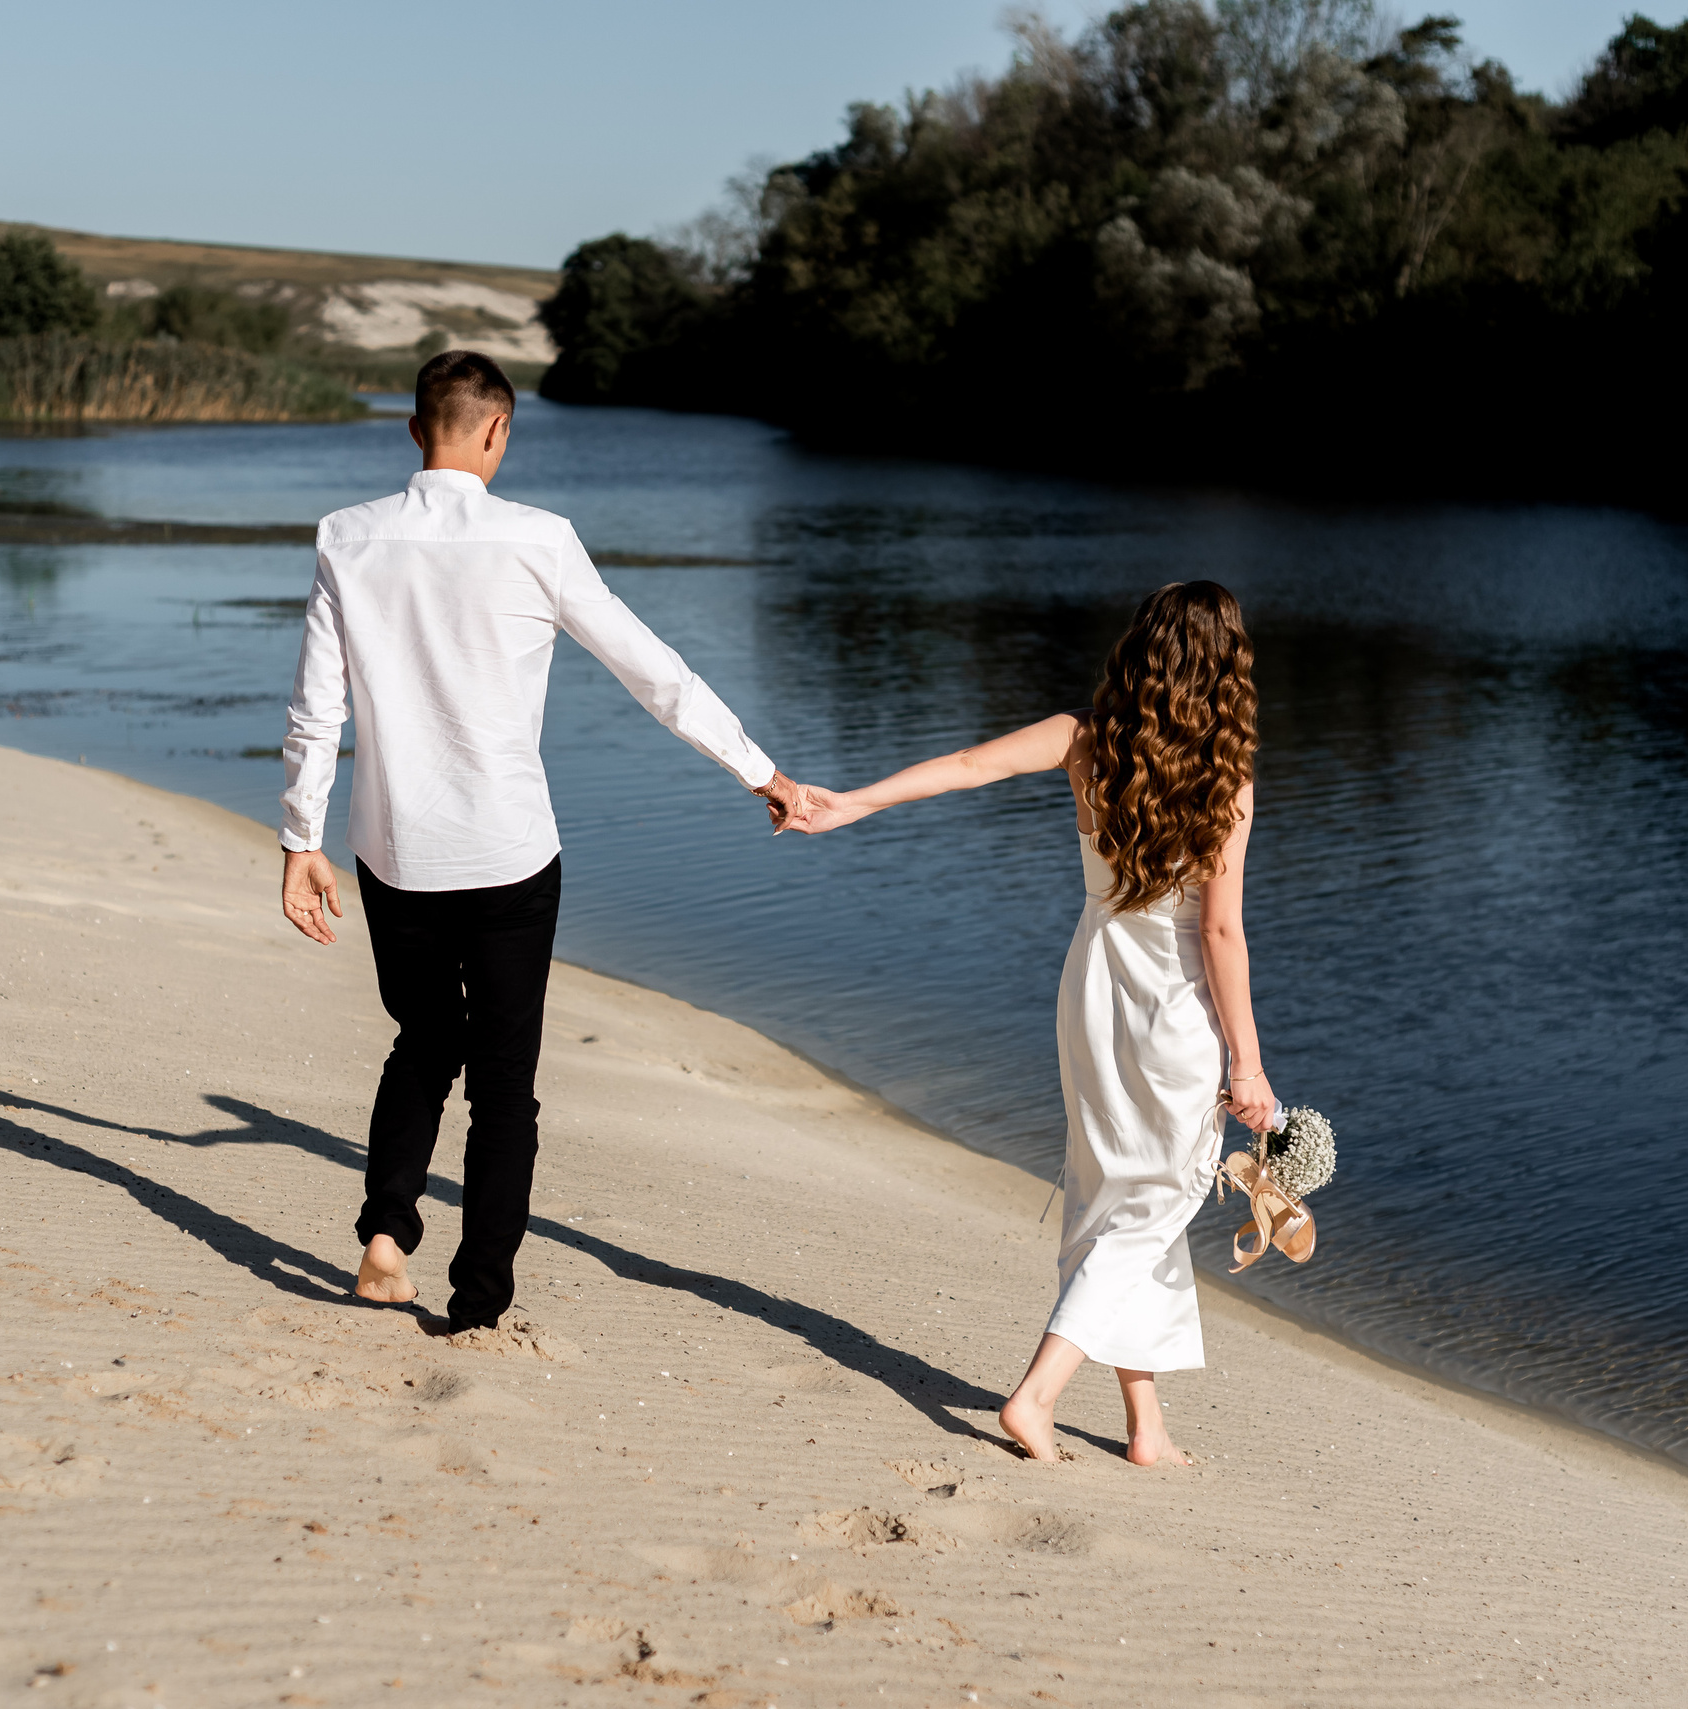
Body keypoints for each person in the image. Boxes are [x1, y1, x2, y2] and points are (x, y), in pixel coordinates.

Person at [276, 350, 810, 1330]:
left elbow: (318, 707)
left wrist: (299, 839)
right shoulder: (539, 539)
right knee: (503, 1086)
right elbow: (653, 672)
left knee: (423, 1040)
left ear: (414, 429)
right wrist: (758, 770)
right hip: (508, 855)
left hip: (394, 851)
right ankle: (477, 1303)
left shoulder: (347, 536)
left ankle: (386, 1235)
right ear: (498, 430)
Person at [793, 581, 1275, 1467]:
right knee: (1156, 1202)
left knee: (1113, 1194)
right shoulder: (1226, 777)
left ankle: (1146, 1426)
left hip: (1094, 988)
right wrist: (1247, 1062)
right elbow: (1218, 932)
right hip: (1173, 1010)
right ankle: (1037, 1395)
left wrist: (853, 801)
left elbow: (969, 764)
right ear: (1225, 669)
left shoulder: (1086, 738)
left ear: (1145, 650)